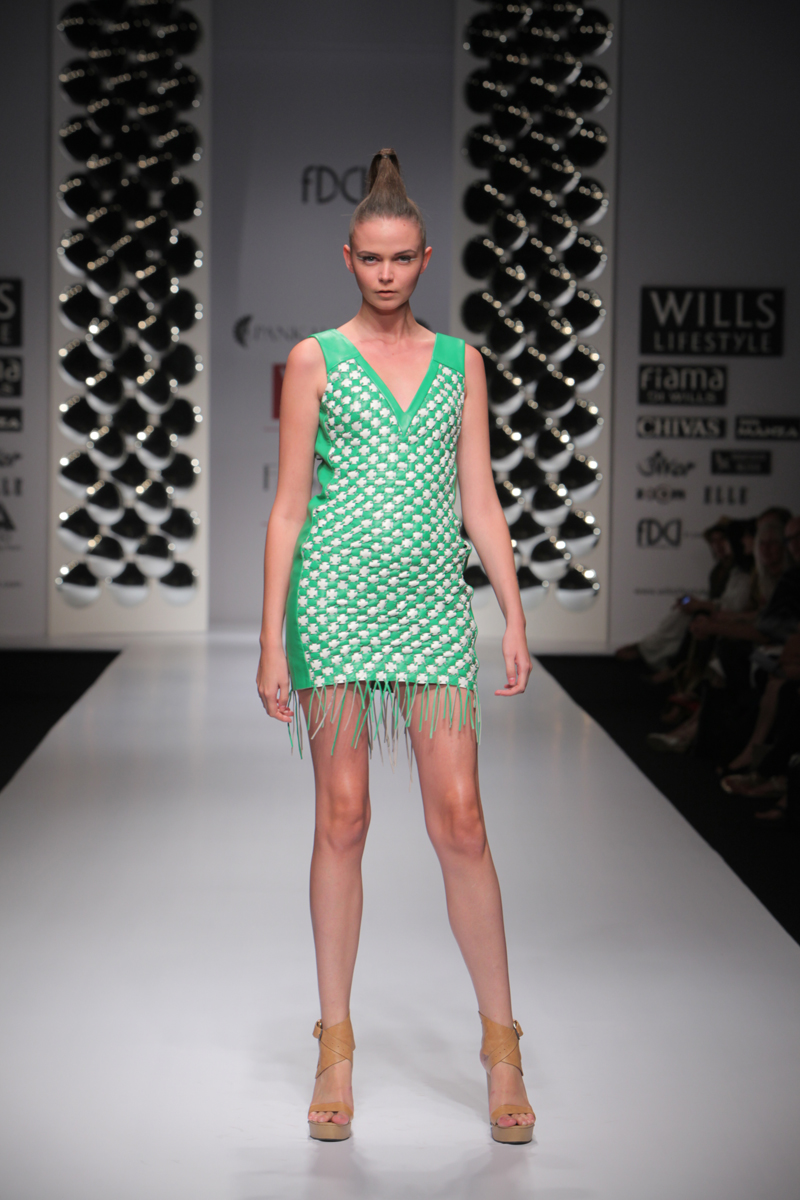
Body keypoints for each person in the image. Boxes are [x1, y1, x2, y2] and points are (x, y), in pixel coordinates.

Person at [255, 149, 535, 1144]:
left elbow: (478, 497)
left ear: (425, 258)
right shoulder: (314, 361)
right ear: (348, 258)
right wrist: (270, 642)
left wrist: (511, 611)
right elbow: (288, 507)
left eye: (400, 258)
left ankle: (501, 1047)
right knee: (343, 817)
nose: (384, 273)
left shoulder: (463, 364)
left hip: (428, 604)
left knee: (460, 820)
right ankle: (334, 1043)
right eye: (369, 258)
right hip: (331, 602)